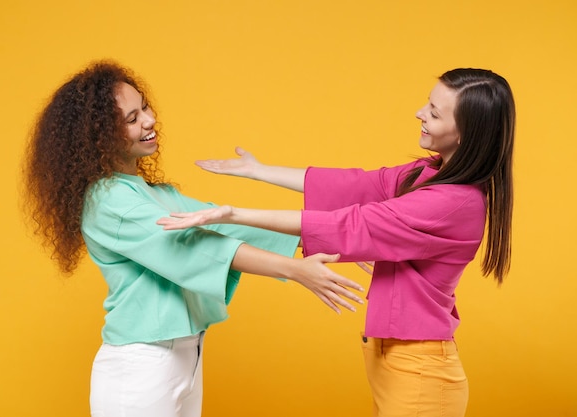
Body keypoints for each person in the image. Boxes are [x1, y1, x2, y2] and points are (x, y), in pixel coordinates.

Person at [157, 68, 515, 417]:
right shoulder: (426, 173)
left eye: (435, 113)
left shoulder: (455, 202)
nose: (420, 114)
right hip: (395, 362)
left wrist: (232, 214)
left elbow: (351, 224)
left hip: (420, 371)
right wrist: (259, 170)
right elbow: (358, 186)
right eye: (427, 103)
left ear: (466, 135)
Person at [21, 61, 364, 417]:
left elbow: (226, 225)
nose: (149, 121)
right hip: (141, 366)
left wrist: (334, 237)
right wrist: (294, 269)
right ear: (99, 137)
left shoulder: (152, 193)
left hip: (184, 357)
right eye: (132, 118)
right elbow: (196, 246)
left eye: (145, 107)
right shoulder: (108, 201)